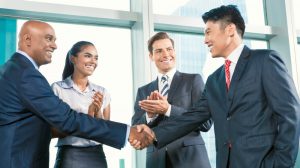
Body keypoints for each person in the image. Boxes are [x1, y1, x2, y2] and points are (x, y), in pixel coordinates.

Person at [137, 5, 300, 168]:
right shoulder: (215, 79)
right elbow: (193, 117)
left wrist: (281, 163)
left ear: (230, 29)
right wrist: (153, 134)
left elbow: (290, 114)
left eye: (208, 32)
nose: (205, 40)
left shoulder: (265, 61)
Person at [0, 20, 153, 168]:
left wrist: (97, 114)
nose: (55, 45)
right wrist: (128, 132)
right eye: (49, 39)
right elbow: (65, 120)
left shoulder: (15, 69)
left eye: (54, 40)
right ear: (27, 39)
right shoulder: (26, 74)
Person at [132, 32, 212, 168]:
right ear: (151, 56)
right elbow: (135, 129)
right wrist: (150, 116)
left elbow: (206, 123)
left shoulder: (193, 81)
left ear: (174, 51)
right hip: (156, 160)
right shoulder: (143, 91)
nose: (165, 54)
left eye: (169, 49)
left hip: (190, 159)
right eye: (159, 51)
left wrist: (168, 109)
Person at [51, 41, 111, 168]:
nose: (93, 61)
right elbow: (52, 131)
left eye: (96, 58)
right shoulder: (58, 89)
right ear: (73, 58)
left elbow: (105, 134)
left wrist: (97, 112)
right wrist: (88, 116)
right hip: (70, 156)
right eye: (88, 56)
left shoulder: (102, 92)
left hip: (97, 156)